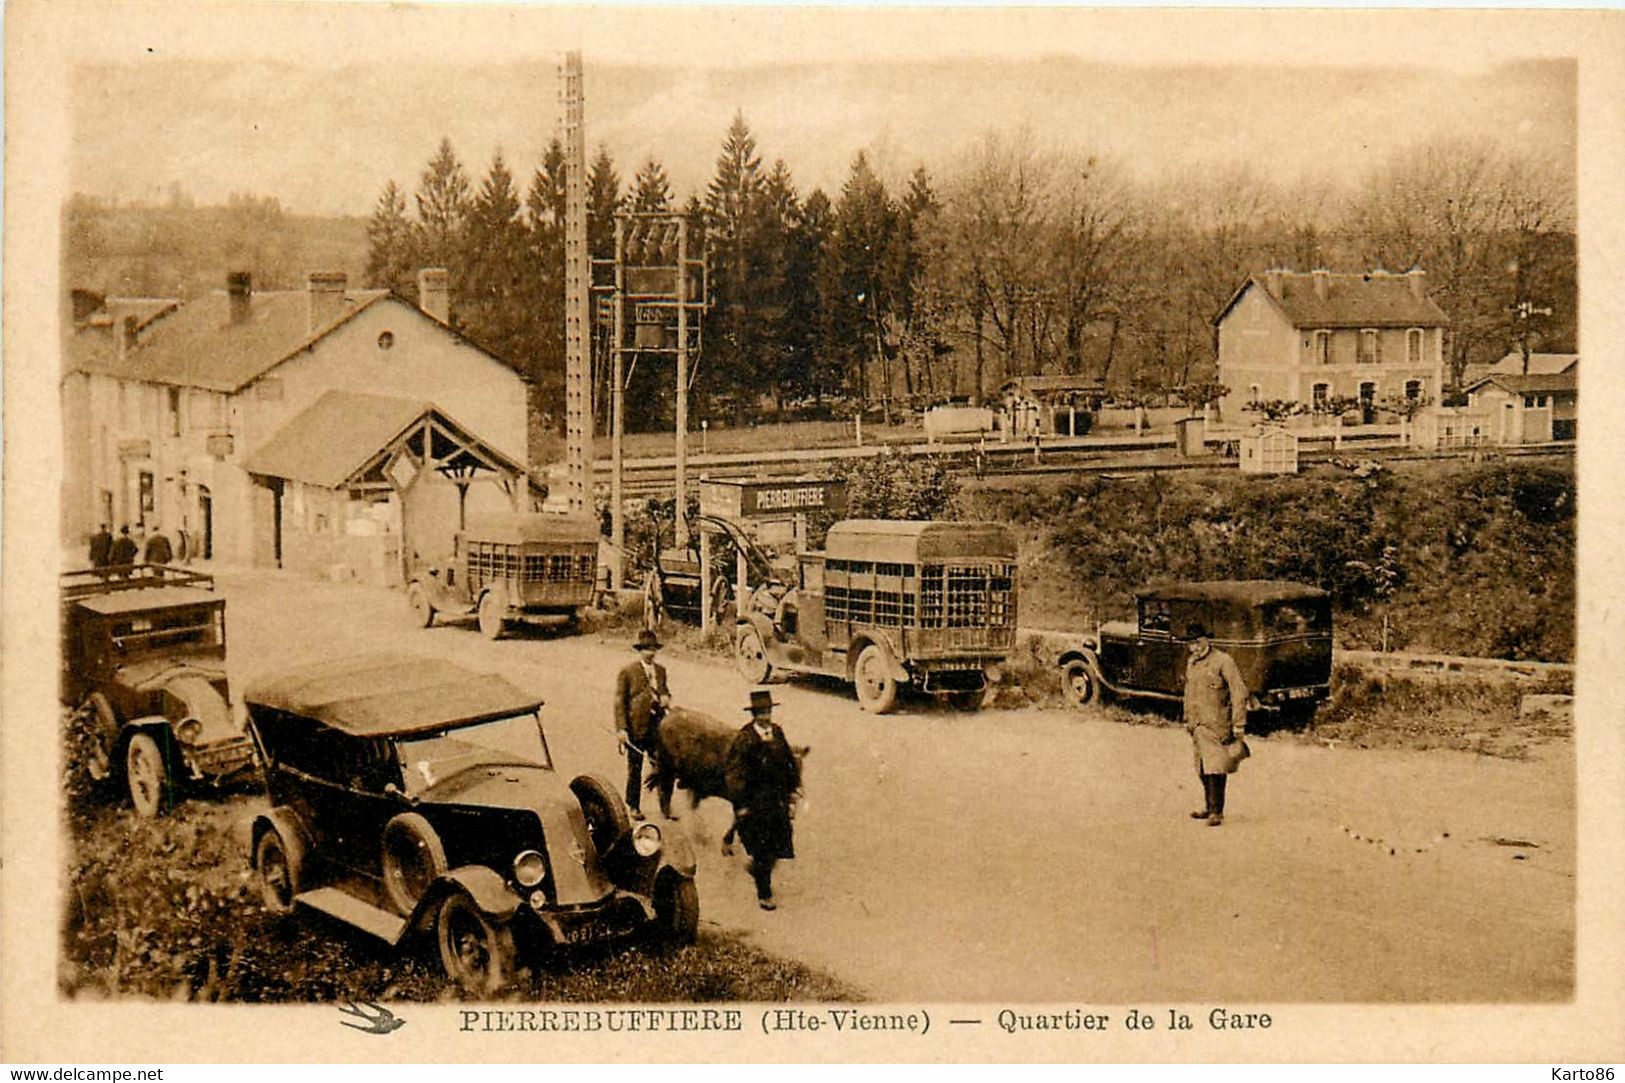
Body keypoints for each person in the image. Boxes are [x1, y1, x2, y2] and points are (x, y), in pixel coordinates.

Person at [726, 688, 802, 910]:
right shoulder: (744, 738)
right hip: (755, 804)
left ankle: (758, 868)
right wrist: (740, 805)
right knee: (763, 848)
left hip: (776, 800)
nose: (766, 717)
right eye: (761, 713)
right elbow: (734, 774)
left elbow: (789, 762)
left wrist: (793, 790)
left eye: (768, 712)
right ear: (754, 715)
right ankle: (764, 893)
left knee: (780, 841)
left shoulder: (777, 732)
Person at [1183, 624, 1250, 827]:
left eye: (1197, 642)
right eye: (1190, 644)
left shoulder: (1223, 661)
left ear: (1207, 640)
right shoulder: (1192, 663)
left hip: (1217, 724)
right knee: (1202, 767)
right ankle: (1208, 806)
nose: (1194, 648)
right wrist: (1187, 718)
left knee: (1216, 767)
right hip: (1197, 724)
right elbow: (1188, 692)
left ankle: (1216, 811)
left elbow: (1239, 692)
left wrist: (1238, 724)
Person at [613, 628, 671, 820]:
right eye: (646, 649)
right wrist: (622, 729)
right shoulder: (628, 672)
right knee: (635, 769)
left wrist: (665, 697)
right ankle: (633, 806)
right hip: (636, 728)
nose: (650, 653)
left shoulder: (661, 671)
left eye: (653, 649)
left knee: (662, 767)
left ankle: (665, 806)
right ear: (639, 651)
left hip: (658, 728)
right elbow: (620, 702)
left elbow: (666, 691)